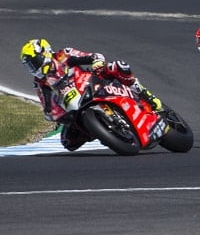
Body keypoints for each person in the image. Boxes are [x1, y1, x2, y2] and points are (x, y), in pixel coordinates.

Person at [19, 38, 161, 151]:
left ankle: (144, 93)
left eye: (34, 62)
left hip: (92, 81)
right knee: (68, 142)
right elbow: (47, 106)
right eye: (30, 65)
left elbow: (92, 56)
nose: (34, 67)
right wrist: (55, 115)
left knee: (119, 66)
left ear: (45, 53)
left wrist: (97, 62)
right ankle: (104, 132)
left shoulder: (63, 55)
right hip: (75, 103)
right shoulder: (40, 82)